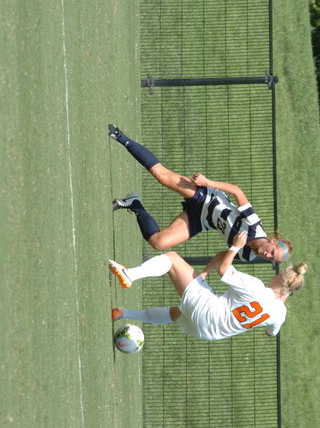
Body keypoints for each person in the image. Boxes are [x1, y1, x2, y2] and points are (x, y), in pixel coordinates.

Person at [107, 124, 292, 263]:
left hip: (202, 220)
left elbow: (222, 257)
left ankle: (135, 204)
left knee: (158, 243)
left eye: (271, 259)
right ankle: (120, 136)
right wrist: (207, 182)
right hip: (207, 198)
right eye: (272, 251)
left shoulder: (247, 256)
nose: (267, 255)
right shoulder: (254, 225)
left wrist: (205, 273)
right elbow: (237, 190)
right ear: (273, 240)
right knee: (161, 175)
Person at [109, 232, 307, 341]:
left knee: (172, 259)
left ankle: (129, 275)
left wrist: (236, 246)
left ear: (280, 277)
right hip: (208, 333)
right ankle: (124, 314)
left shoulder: (256, 287)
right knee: (177, 313)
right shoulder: (280, 315)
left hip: (208, 310)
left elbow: (223, 270)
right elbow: (271, 333)